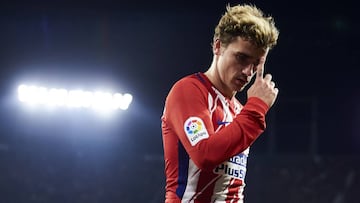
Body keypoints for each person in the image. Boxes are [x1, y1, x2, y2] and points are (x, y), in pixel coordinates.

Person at [161, 3, 279, 203]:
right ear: (218, 46)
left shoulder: (240, 111)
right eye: (241, 58)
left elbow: (232, 188)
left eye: (256, 64)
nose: (248, 72)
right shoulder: (188, 91)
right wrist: (257, 107)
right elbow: (205, 155)